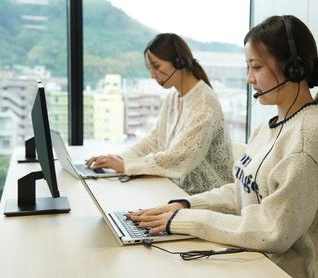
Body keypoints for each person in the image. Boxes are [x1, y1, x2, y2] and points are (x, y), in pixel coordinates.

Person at [128, 16, 318, 278]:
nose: (249, 79)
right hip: (258, 262)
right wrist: (186, 204)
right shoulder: (271, 126)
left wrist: (188, 220)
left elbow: (271, 230)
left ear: (294, 69)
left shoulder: (306, 137)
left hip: (289, 274)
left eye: (256, 67)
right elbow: (244, 192)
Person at [86, 33, 234, 195]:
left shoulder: (204, 103)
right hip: (175, 189)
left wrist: (124, 166)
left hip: (204, 197)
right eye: (149, 68)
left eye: (156, 66)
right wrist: (115, 159)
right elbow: (154, 141)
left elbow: (179, 158)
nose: (152, 74)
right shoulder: (173, 97)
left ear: (179, 62)